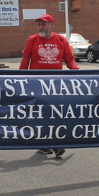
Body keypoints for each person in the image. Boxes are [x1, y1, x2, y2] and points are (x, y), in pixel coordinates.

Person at [19, 14, 78, 157]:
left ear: (52, 25)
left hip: (56, 85)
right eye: (39, 24)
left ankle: (45, 143)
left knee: (54, 114)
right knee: (41, 114)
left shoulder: (61, 40)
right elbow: (25, 61)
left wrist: (77, 75)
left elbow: (70, 60)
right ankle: (52, 144)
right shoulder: (32, 40)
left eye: (44, 24)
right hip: (36, 84)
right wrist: (19, 81)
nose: (40, 27)